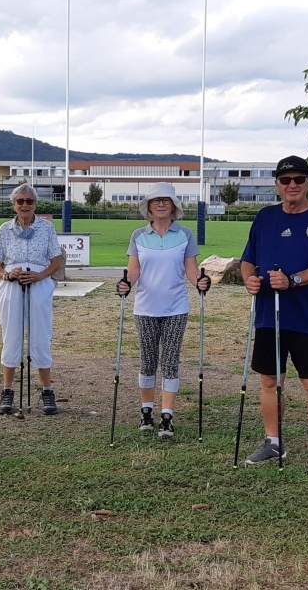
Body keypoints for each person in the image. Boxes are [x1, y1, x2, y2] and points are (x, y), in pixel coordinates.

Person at [240, 155, 308, 474]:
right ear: (277, 185)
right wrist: (249, 279)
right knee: (270, 380)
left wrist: (294, 279)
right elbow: (248, 259)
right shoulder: (265, 217)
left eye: (299, 179)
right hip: (269, 315)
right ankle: (273, 442)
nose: (292, 185)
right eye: (285, 180)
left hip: (306, 315)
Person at [115, 182, 211, 438]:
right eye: (155, 200)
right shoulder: (138, 235)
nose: (160, 204)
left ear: (173, 206)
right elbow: (134, 270)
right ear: (148, 206)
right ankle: (146, 412)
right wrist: (126, 283)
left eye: (165, 200)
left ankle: (167, 416)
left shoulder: (185, 234)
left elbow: (191, 270)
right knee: (148, 361)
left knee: (170, 362)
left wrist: (199, 281)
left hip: (175, 308)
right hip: (145, 308)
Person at [0, 183, 65, 415]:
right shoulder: (5, 229)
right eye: (20, 201)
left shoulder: (47, 228)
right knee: (11, 335)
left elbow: (57, 260)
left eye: (29, 201)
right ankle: (7, 390)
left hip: (39, 285)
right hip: (12, 286)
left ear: (35, 205)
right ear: (14, 204)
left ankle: (46, 391)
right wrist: (7, 275)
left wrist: (40, 275)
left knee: (40, 335)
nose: (24, 205)